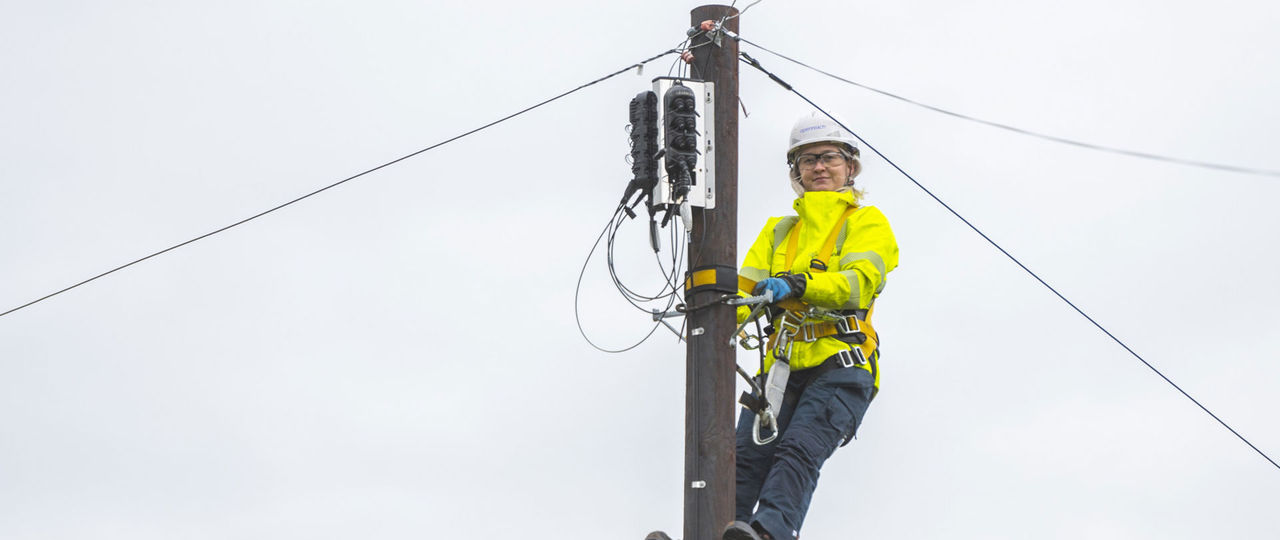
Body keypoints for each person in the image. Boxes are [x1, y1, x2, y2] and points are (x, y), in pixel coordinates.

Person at [723, 113, 899, 540]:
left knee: (797, 451)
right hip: (783, 369)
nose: (818, 167)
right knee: (742, 457)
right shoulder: (780, 231)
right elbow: (740, 298)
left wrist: (797, 284)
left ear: (849, 167)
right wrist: (710, 312)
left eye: (829, 158)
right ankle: (709, 530)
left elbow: (857, 284)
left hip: (841, 365)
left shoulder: (866, 222)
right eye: (807, 160)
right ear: (796, 173)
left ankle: (766, 535)